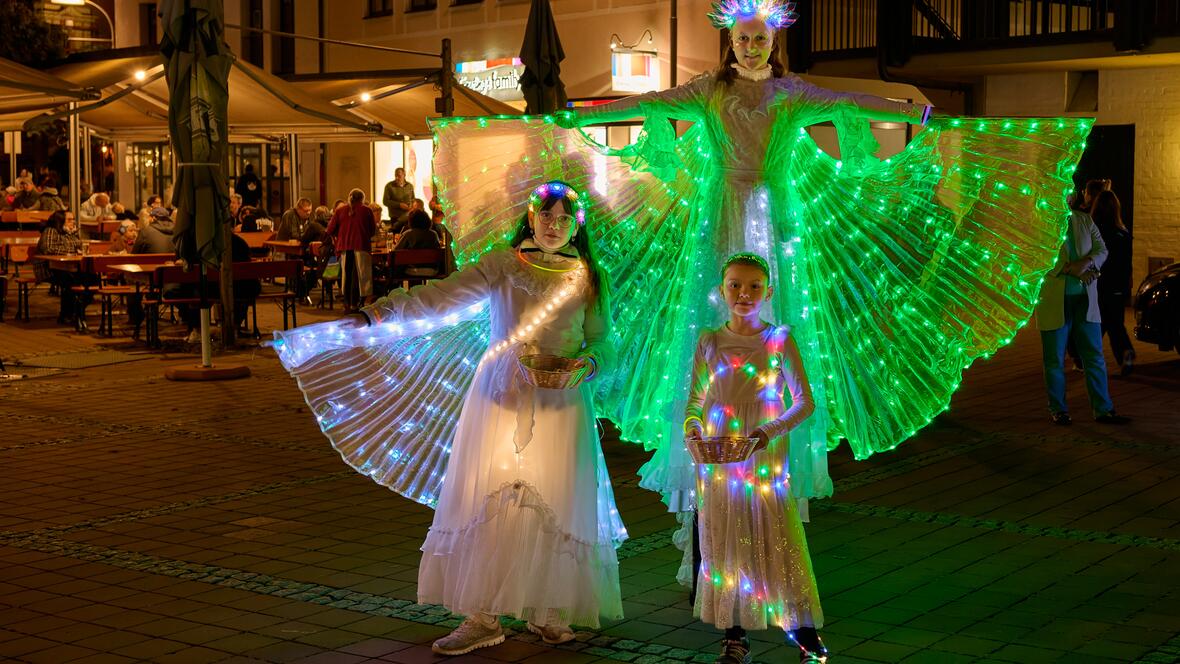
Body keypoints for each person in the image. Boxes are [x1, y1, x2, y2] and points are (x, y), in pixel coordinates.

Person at [271, 181, 624, 656]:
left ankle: (550, 607)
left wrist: (588, 363)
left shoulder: (588, 276)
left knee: (557, 496)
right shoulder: (503, 263)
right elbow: (441, 296)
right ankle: (481, 615)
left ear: (576, 225)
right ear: (531, 217)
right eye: (546, 215)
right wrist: (377, 316)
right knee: (492, 495)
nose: (554, 226)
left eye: (564, 218)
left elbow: (605, 341)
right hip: (500, 393)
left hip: (564, 401)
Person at [685, 253, 825, 664]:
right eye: (735, 285)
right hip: (719, 457)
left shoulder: (778, 339)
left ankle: (805, 636)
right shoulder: (709, 340)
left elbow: (803, 402)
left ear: (768, 291)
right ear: (721, 289)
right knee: (726, 544)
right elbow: (695, 400)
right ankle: (735, 635)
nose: (743, 294)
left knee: (774, 537)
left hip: (763, 460)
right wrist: (692, 429)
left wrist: (766, 432)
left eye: (753, 286)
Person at [1035, 206, 1129, 426]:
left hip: (1085, 299)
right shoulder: (1039, 219)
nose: (1067, 194)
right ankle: (1059, 409)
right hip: (1053, 298)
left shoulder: (1084, 219)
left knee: (1094, 355)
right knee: (1054, 359)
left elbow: (1102, 250)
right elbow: (1036, 254)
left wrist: (1085, 263)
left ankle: (1103, 409)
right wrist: (1068, 268)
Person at [1090, 190, 1136, 374]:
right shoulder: (1122, 233)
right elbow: (1127, 262)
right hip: (1118, 284)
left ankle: (1086, 356)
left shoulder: (1096, 232)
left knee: (1098, 322)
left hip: (1100, 284)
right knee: (1115, 322)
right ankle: (1125, 352)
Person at [36, 210, 95, 328]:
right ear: (60, 221)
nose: (73, 222)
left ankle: (78, 309)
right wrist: (71, 252)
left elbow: (80, 247)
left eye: (73, 219)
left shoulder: (72, 233)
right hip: (50, 268)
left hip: (71, 268)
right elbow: (48, 249)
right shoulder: (51, 231)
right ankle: (68, 314)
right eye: (69, 219)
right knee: (71, 281)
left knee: (93, 279)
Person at [325, 188, 377, 312]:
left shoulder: (340, 211)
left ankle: (347, 304)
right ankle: (357, 303)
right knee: (360, 276)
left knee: (347, 275)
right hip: (361, 246)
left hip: (344, 247)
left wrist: (342, 234)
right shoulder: (367, 210)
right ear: (362, 199)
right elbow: (372, 231)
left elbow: (330, 230)